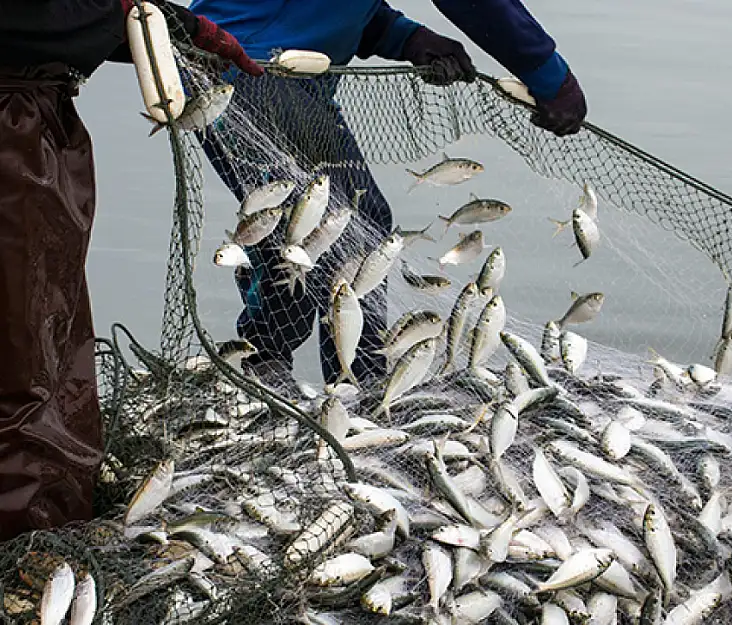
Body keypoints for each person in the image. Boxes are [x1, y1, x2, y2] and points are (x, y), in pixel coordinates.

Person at [189, 0, 588, 398]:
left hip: (277, 72)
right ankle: (296, 373)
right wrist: (549, 75)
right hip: (245, 69)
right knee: (325, 224)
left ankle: (335, 377)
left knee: (352, 221)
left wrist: (405, 37)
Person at [0, 0, 260, 542]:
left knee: (46, 325)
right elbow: (35, 21)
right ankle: (25, 539)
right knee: (23, 346)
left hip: (30, 115)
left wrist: (166, 27)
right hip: (11, 131)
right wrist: (140, 18)